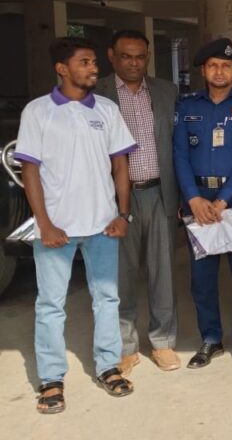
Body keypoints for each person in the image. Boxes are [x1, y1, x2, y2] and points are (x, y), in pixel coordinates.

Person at [16, 38, 137, 414]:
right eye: (84, 62)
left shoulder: (107, 109)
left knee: (107, 299)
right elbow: (30, 171)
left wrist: (123, 215)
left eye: (94, 61)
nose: (93, 67)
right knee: (51, 304)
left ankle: (108, 367)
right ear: (62, 68)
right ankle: (51, 379)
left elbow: (120, 166)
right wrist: (45, 224)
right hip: (57, 229)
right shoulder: (38, 111)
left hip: (103, 225)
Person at [174, 38, 232, 369]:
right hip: (198, 198)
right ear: (203, 70)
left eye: (225, 66)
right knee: (202, 275)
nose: (219, 71)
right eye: (213, 65)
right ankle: (210, 338)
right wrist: (193, 198)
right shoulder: (187, 106)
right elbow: (180, 154)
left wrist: (223, 199)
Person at [95, 30, 181, 375]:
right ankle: (125, 346)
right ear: (111, 56)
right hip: (116, 197)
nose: (134, 63)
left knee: (164, 272)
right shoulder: (96, 93)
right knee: (122, 273)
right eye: (126, 56)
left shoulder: (166, 91)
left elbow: (176, 144)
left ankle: (163, 341)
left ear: (148, 57)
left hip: (160, 191)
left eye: (140, 56)